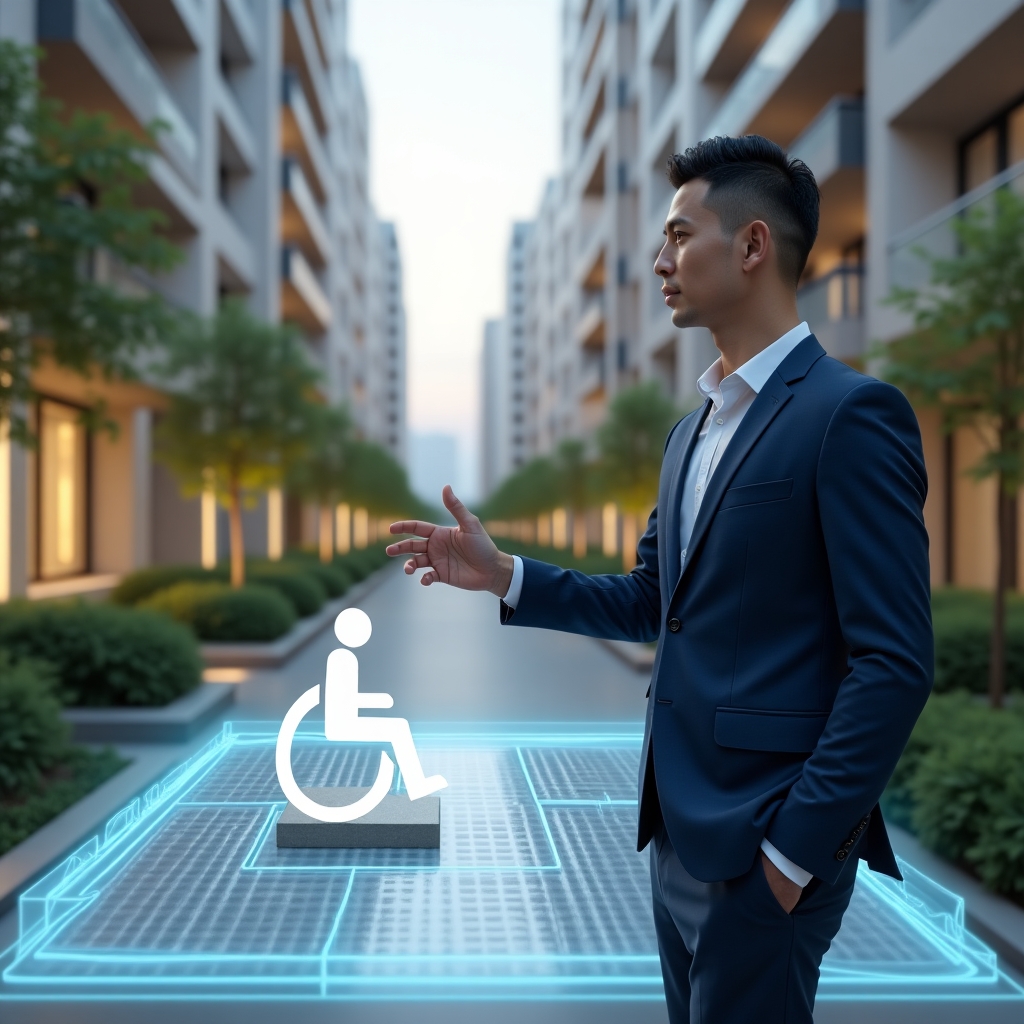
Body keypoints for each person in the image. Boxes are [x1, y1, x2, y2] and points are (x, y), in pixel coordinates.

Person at [387, 135, 932, 1023]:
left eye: (680, 236)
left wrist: (791, 857)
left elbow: (894, 663)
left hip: (766, 849)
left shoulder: (850, 415)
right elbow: (654, 601)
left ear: (752, 246)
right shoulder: (693, 434)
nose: (659, 262)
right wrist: (505, 577)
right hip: (679, 834)